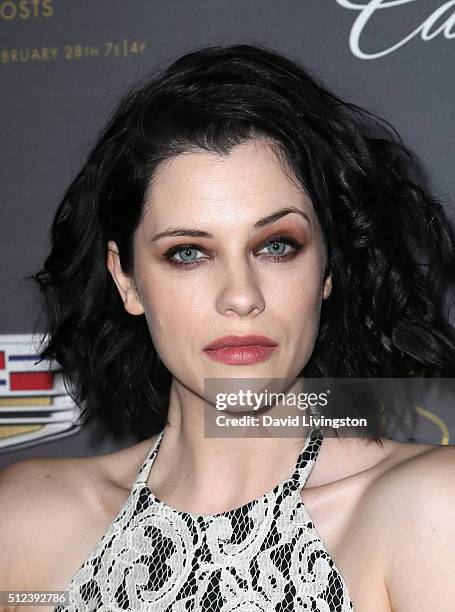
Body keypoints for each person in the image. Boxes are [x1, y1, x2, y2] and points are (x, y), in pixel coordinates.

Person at [1, 43, 455, 612]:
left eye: (277, 246)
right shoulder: (24, 521)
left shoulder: (428, 511)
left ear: (328, 270)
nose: (241, 297)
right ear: (127, 281)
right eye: (188, 253)